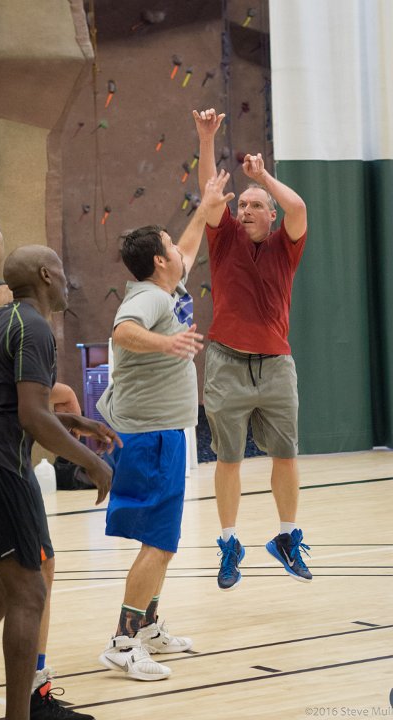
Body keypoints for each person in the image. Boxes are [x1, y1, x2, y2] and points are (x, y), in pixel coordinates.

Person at [0, 244, 121, 720]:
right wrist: (92, 463)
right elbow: (31, 415)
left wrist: (71, 420)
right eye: (61, 269)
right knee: (30, 594)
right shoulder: (34, 325)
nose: (67, 279)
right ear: (46, 275)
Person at [96, 170, 234, 681]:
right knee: (158, 543)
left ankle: (148, 625)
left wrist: (204, 207)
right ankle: (122, 641)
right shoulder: (150, 298)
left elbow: (189, 245)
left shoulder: (166, 287)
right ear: (159, 260)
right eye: (170, 245)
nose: (180, 248)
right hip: (150, 435)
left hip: (160, 433)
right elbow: (123, 331)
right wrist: (167, 343)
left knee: (164, 542)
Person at [192, 108, 312, 591]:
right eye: (241, 204)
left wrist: (263, 177)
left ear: (270, 214)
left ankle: (286, 538)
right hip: (226, 362)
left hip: (276, 365)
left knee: (286, 454)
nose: (243, 210)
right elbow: (210, 195)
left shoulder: (286, 244)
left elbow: (298, 208)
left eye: (254, 205)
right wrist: (206, 139)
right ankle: (229, 543)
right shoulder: (224, 240)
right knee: (228, 459)